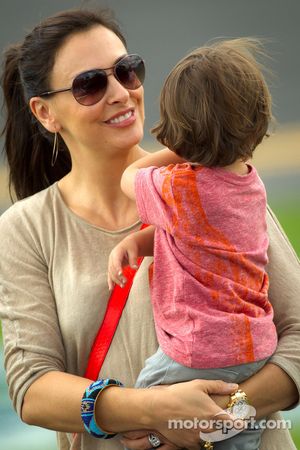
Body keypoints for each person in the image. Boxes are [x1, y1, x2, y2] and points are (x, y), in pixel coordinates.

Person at [0, 8, 299, 450]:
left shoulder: (215, 181)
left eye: (127, 71)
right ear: (45, 113)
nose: (120, 92)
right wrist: (154, 411)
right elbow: (32, 388)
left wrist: (219, 418)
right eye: (90, 84)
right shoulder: (25, 229)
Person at [107, 38, 278, 449]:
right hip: (254, 348)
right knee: (234, 432)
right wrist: (141, 242)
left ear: (182, 131)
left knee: (142, 413)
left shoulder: (181, 188)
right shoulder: (249, 182)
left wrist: (175, 150)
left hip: (197, 351)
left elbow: (127, 178)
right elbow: (204, 242)